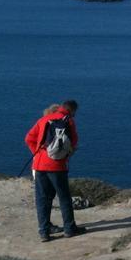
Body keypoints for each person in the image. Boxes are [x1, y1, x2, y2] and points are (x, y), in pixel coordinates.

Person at [25, 99, 87, 242]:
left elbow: (29, 138)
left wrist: (38, 152)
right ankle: (69, 229)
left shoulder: (44, 119)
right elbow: (74, 141)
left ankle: (44, 232)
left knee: (42, 199)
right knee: (64, 197)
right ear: (72, 110)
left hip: (39, 164)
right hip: (57, 165)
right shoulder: (68, 121)